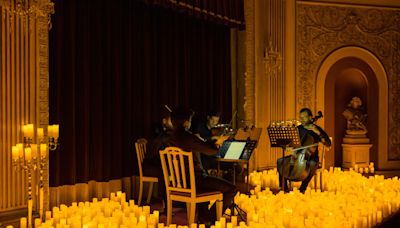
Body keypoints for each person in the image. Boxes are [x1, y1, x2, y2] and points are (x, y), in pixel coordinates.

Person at [163, 107, 237, 223]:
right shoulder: (188, 137)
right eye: (190, 120)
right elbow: (212, 151)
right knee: (231, 188)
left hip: (180, 183)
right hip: (195, 181)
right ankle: (209, 219)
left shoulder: (171, 138)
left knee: (207, 179)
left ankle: (204, 216)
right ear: (186, 122)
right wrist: (219, 142)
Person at [277, 108, 331, 193]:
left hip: (311, 157)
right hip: (297, 155)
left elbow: (328, 144)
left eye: (304, 117)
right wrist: (287, 147)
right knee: (280, 161)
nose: (301, 120)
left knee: (313, 164)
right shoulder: (298, 129)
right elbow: (290, 143)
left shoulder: (316, 129)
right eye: (300, 117)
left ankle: (303, 188)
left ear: (310, 117)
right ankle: (284, 188)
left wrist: (317, 132)